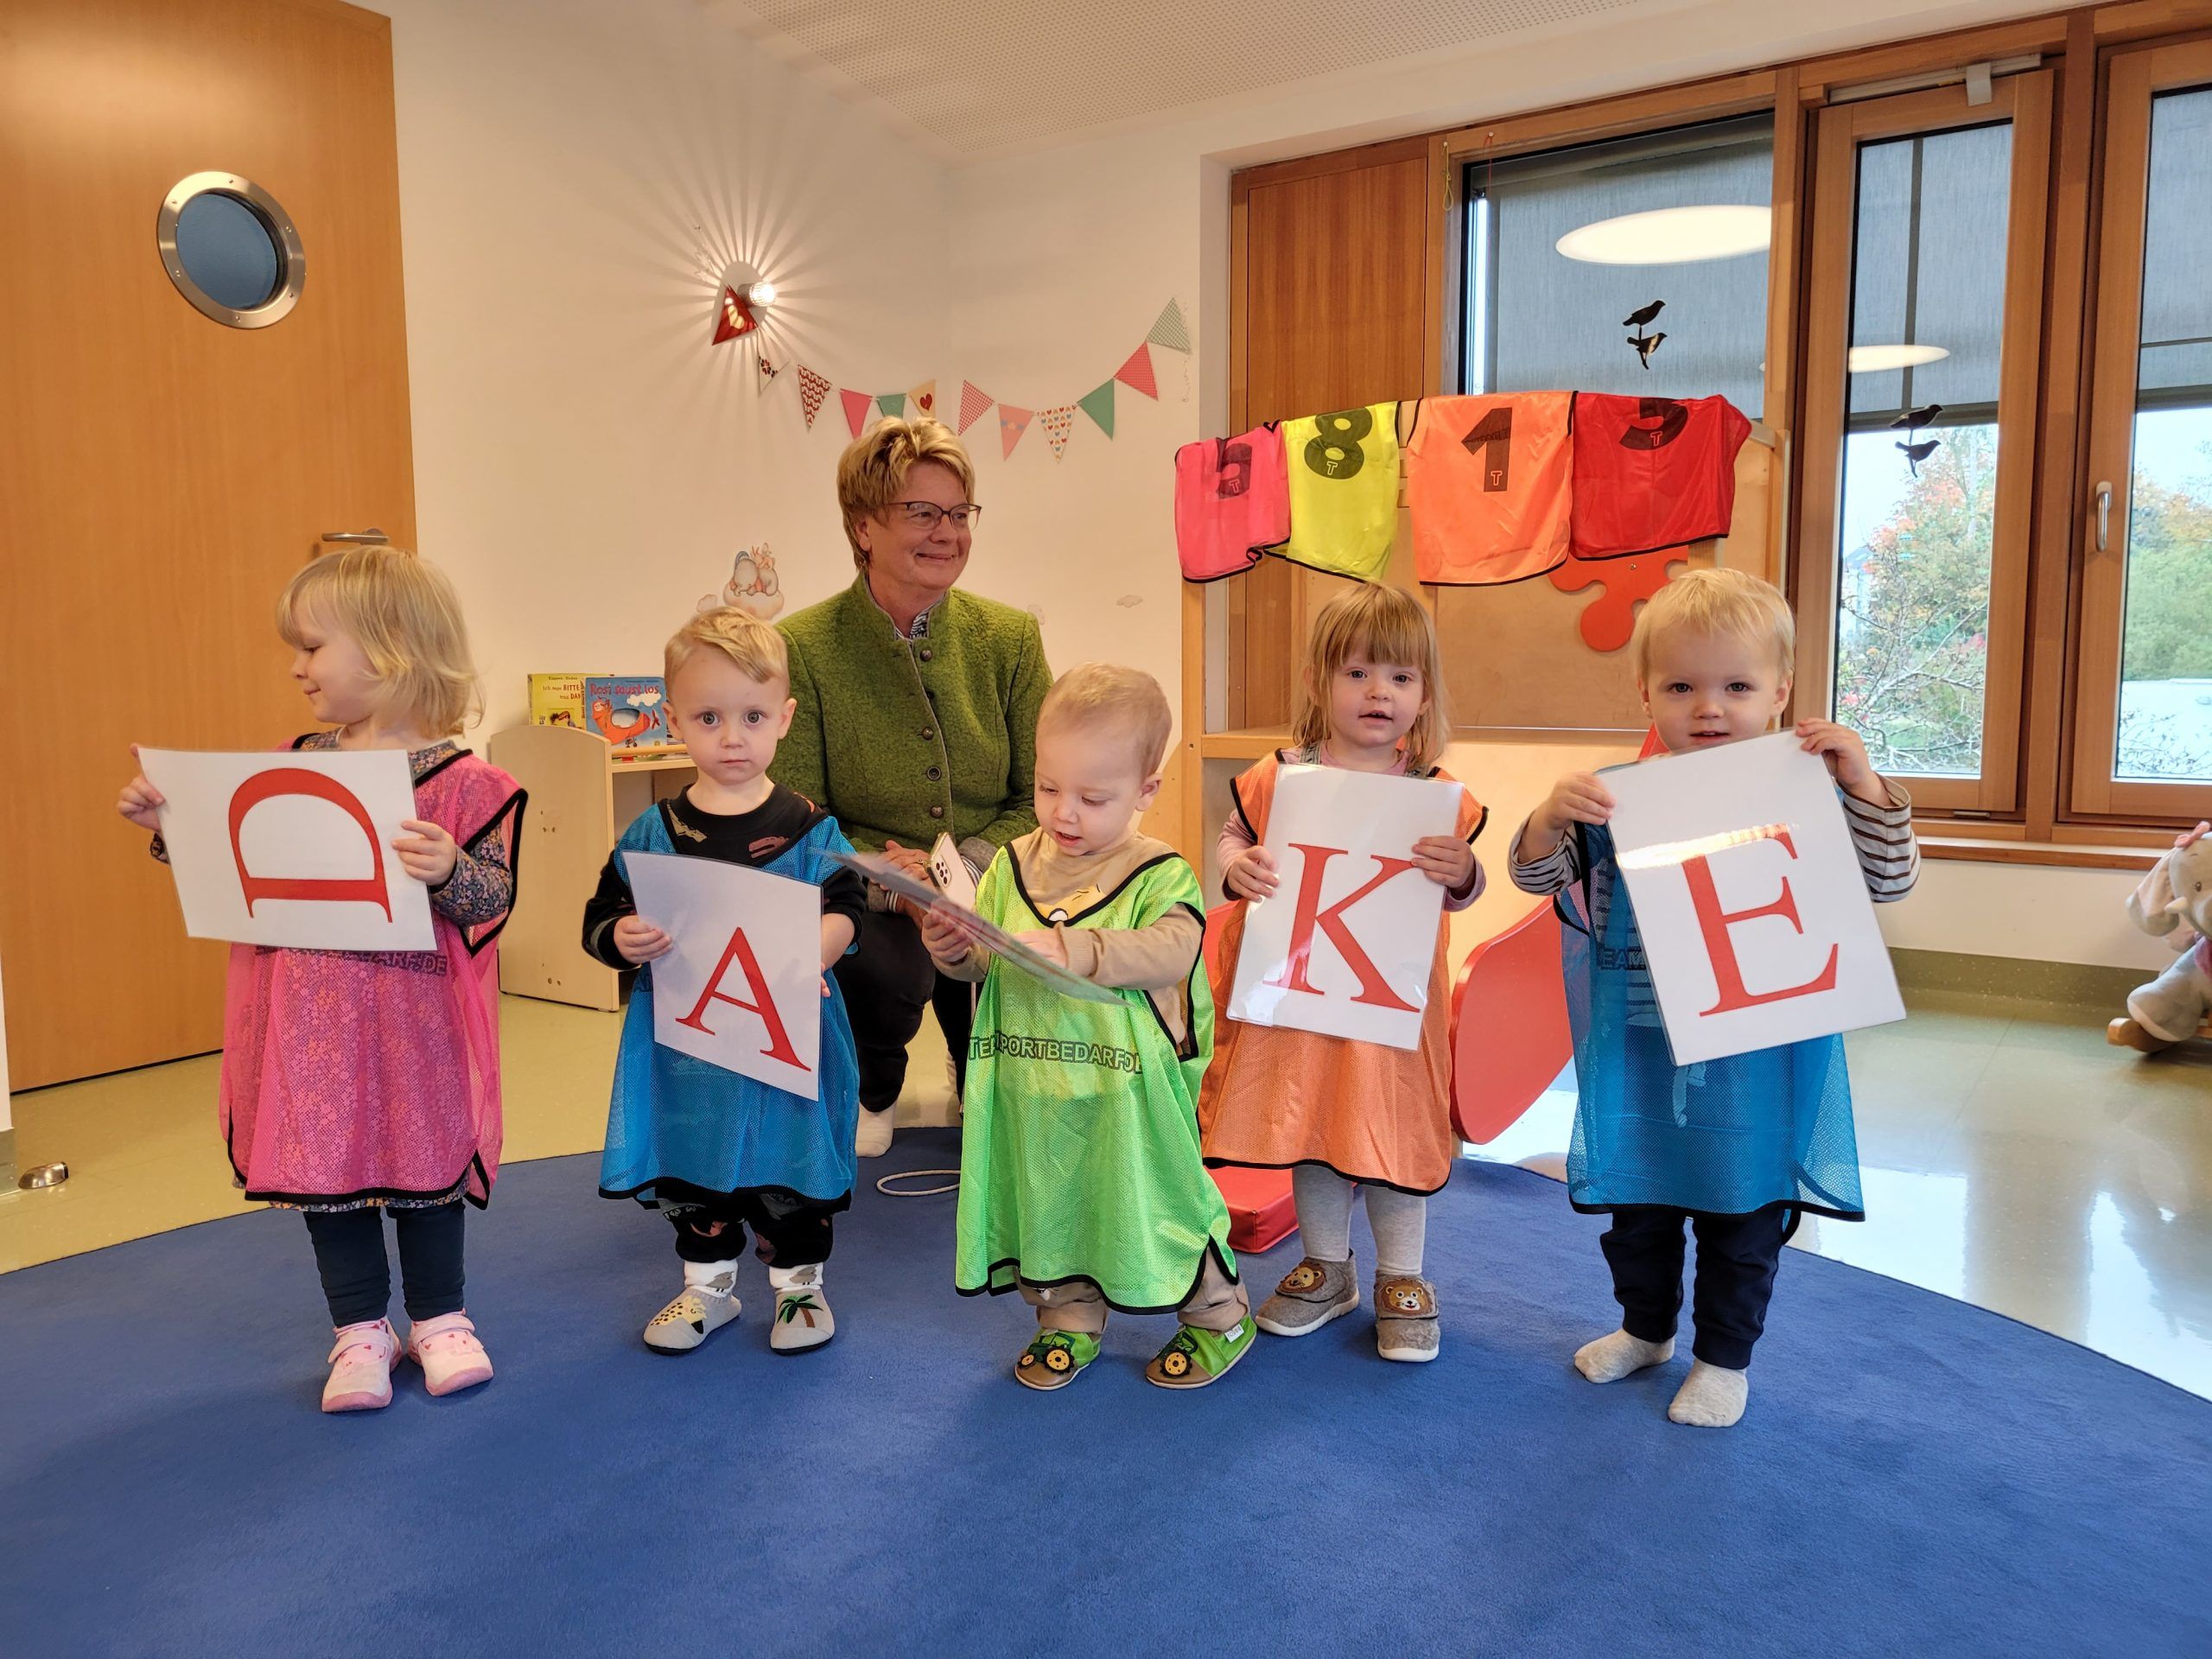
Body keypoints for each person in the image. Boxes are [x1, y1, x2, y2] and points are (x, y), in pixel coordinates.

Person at [116, 546, 524, 1413]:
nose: (297, 668)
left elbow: (493, 899)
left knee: (426, 1163)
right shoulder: (287, 766)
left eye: (311, 647)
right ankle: (359, 1331)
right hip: (310, 1028)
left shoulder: (466, 783)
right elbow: (234, 865)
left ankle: (441, 1319)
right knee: (326, 1173)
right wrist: (170, 825)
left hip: (420, 1027)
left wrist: (450, 867)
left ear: (390, 651)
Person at [1510, 567, 1919, 1428]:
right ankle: (1645, 1328)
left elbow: (1888, 880)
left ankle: (1724, 1358)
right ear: (1646, 691)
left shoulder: (1807, 791)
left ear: (1779, 692)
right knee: (1641, 1208)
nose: (1708, 706)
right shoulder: (1620, 795)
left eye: (1736, 686)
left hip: (1755, 1060)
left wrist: (1866, 787)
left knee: (1742, 1214)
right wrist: (1551, 815)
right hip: (1642, 1051)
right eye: (1682, 685)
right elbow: (1535, 875)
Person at [922, 664, 1253, 1391]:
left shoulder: (1160, 873)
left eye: (1093, 797)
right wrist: (955, 950)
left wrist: (1081, 949)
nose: (1064, 813)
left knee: (1155, 1200)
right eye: (1048, 788)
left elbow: (1174, 948)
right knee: (1050, 1201)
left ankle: (1218, 1312)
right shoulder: (1010, 867)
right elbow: (987, 957)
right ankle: (1068, 1317)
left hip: (1129, 1098)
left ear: (1145, 792)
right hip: (1033, 1086)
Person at [1198, 582, 1485, 1363]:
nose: (1377, 693)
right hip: (1302, 996)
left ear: (1423, 696)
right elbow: (1233, 835)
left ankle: (1403, 1275)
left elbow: (1467, 884)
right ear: (1320, 684)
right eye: (1357, 673)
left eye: (1399, 677)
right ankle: (1327, 1266)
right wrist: (1237, 869)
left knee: (1388, 1127)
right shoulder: (1280, 774)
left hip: (1391, 1005)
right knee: (1313, 1122)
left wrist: (1462, 871)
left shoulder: (1433, 794)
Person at [583, 608, 863, 1356]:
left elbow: (849, 907)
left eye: (751, 716)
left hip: (783, 1045)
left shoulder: (811, 828)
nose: (731, 736)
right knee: (695, 1173)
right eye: (708, 717)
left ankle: (799, 1288)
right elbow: (601, 916)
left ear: (785, 719)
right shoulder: (651, 833)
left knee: (788, 1167)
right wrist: (623, 936)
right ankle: (706, 1289)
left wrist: (819, 950)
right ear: (673, 719)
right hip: (688, 1055)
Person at [774, 417, 1052, 1157]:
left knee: (1001, 935)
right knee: (888, 960)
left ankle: (980, 1070)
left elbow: (1042, 793)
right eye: (922, 512)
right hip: (870, 889)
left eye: (959, 514)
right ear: (863, 527)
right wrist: (883, 880)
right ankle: (872, 1083)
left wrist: (962, 867)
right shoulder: (801, 645)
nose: (947, 533)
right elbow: (798, 812)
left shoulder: (1010, 638)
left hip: (993, 871)